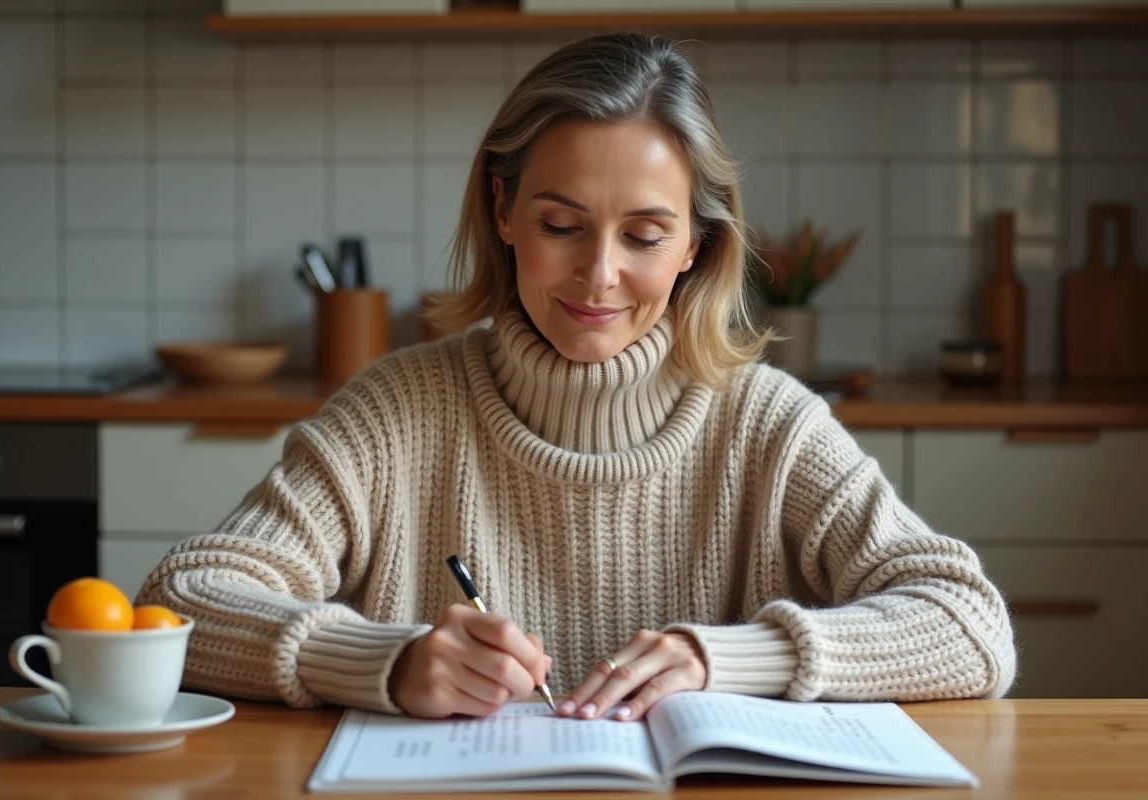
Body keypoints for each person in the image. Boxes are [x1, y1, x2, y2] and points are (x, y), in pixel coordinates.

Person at [137, 31, 1015, 723]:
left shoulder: (769, 424)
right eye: (562, 224)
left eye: (642, 235)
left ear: (694, 249)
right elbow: (180, 604)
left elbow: (972, 629)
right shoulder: (396, 412)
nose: (598, 275)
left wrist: (732, 659)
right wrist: (388, 663)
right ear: (504, 210)